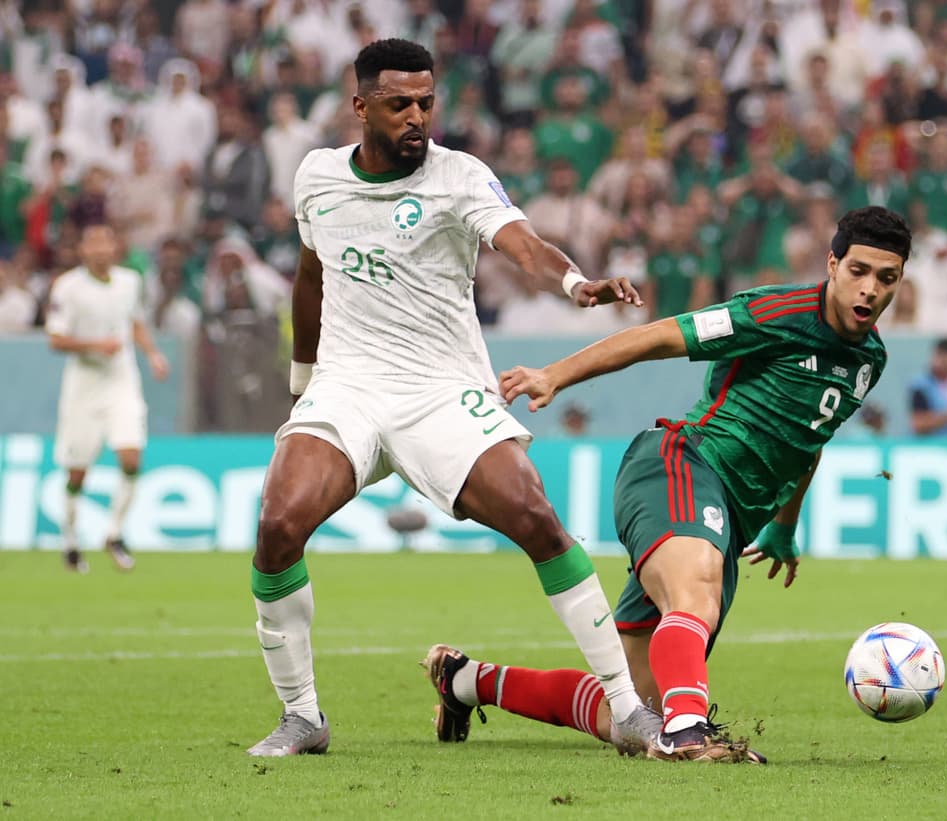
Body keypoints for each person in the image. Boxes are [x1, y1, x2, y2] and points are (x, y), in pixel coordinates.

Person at [247, 39, 656, 757]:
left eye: (426, 103)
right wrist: (302, 386)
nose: (417, 117)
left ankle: (626, 709)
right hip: (348, 385)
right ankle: (303, 716)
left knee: (534, 515)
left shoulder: (458, 175)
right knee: (279, 522)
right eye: (400, 103)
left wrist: (574, 284)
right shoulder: (315, 177)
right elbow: (311, 276)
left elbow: (522, 242)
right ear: (361, 106)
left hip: (441, 387)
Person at [423, 207, 912, 763]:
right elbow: (658, 337)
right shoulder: (774, 312)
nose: (870, 290)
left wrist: (783, 525)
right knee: (694, 599)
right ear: (832, 264)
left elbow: (809, 438)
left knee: (633, 712)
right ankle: (689, 736)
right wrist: (554, 375)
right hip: (681, 466)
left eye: (887, 278)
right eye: (859, 271)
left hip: (727, 522)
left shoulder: (869, 359)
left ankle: (465, 681)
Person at [45, 223, 170, 573]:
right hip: (83, 387)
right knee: (77, 474)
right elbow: (55, 339)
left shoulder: (130, 281)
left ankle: (113, 534)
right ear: (82, 249)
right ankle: (70, 540)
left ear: (115, 248)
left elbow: (136, 322)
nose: (100, 249)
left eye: (106, 242)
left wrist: (153, 355)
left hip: (121, 382)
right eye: (93, 242)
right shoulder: (68, 287)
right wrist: (95, 345)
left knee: (131, 458)